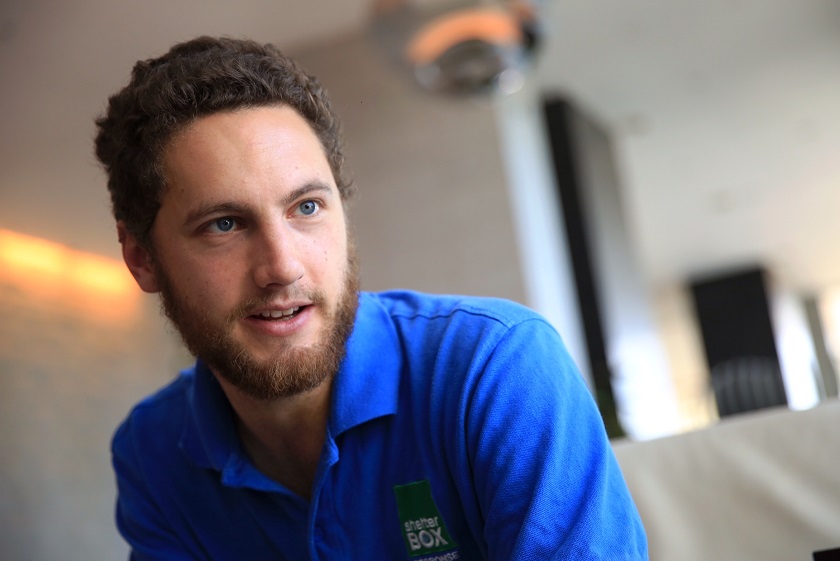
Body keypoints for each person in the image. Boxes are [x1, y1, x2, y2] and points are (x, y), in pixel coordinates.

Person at [96, 36, 648, 561]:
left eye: (306, 207)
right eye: (224, 224)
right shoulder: (152, 451)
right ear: (142, 256)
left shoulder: (496, 368)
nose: (282, 267)